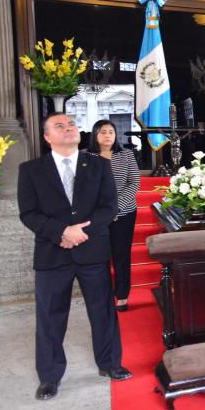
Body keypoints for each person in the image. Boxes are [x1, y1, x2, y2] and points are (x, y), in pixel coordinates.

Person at [18, 113, 131, 401]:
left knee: (102, 312)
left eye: (71, 125)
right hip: (52, 253)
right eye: (60, 126)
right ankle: (50, 376)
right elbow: (29, 213)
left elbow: (109, 207)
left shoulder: (98, 165)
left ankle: (110, 363)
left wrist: (82, 233)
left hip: (92, 250)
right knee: (50, 317)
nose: (68, 129)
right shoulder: (30, 170)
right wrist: (62, 233)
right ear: (47, 137)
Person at [88, 120, 140, 312]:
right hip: (96, 216)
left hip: (124, 213)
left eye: (111, 132)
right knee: (100, 257)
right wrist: (103, 212)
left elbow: (134, 183)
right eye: (103, 132)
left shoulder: (126, 154)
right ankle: (102, 295)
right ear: (95, 135)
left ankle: (122, 296)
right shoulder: (86, 157)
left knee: (121, 255)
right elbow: (85, 188)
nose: (108, 135)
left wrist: (115, 209)